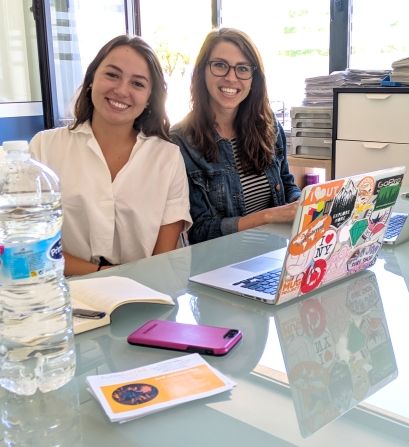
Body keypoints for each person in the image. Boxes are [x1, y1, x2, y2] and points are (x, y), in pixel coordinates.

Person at [30, 35, 192, 276]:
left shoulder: (167, 157)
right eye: (112, 75)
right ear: (91, 80)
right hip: (64, 293)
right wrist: (105, 273)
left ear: (149, 99)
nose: (121, 90)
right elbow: (33, 246)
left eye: (138, 84)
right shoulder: (44, 147)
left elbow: (163, 261)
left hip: (144, 291)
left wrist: (122, 281)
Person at [170, 28, 301, 244]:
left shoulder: (269, 126)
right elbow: (199, 231)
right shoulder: (180, 141)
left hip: (275, 254)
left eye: (242, 68)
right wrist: (267, 216)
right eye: (220, 65)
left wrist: (301, 204)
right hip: (219, 266)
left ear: (253, 78)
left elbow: (287, 184)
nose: (231, 78)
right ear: (203, 71)